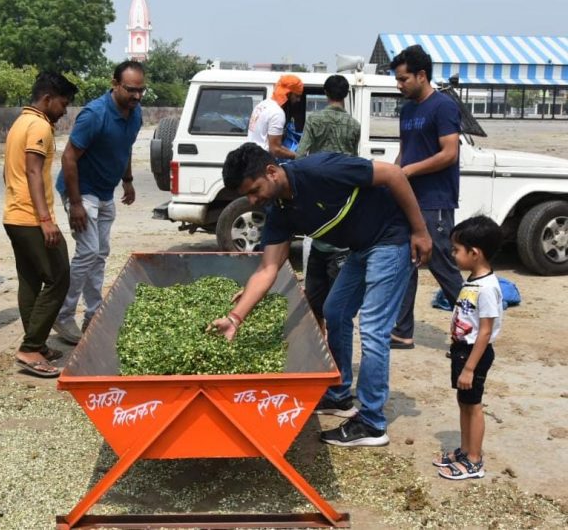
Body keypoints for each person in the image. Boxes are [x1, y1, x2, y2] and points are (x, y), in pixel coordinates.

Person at [211, 142, 432, 447]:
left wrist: (420, 232)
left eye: (254, 190)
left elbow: (393, 174)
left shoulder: (321, 170)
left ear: (272, 172)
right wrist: (235, 319)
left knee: (373, 327)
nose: (253, 200)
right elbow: (267, 268)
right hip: (361, 247)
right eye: (246, 196)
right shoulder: (280, 212)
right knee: (335, 311)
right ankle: (339, 394)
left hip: (392, 238)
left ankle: (371, 423)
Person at [53, 60, 144, 344]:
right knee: (88, 251)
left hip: (105, 192)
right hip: (82, 191)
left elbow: (126, 146)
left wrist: (127, 179)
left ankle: (93, 313)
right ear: (115, 84)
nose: (137, 96)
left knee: (101, 252)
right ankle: (62, 314)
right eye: (131, 90)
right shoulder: (95, 114)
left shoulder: (135, 112)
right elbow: (68, 157)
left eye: (141, 90)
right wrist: (76, 203)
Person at [3, 72, 78, 378]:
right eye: (63, 103)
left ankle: (37, 344)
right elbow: (34, 172)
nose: (64, 110)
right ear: (47, 99)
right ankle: (31, 347)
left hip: (15, 216)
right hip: (31, 218)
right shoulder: (39, 126)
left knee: (31, 280)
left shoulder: (20, 122)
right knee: (59, 277)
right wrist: (46, 219)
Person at [389, 45, 464, 350]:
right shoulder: (407, 110)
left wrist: (408, 172)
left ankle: (473, 329)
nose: (399, 84)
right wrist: (392, 178)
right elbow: (405, 153)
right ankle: (403, 331)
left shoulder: (443, 107)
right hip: (408, 198)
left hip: (435, 199)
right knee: (405, 264)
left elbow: (449, 153)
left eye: (404, 79)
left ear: (422, 75)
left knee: (440, 264)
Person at [435, 215, 503, 480]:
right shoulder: (474, 281)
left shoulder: (487, 288)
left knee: (473, 405)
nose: (452, 254)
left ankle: (474, 460)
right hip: (463, 351)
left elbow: (485, 331)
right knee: (464, 402)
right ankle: (465, 450)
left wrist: (469, 369)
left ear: (474, 253)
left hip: (475, 354)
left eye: (456, 250)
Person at [296, 74, 360, 332]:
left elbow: (301, 155)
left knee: (316, 252)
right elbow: (354, 160)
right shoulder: (354, 125)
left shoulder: (314, 120)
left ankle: (318, 331)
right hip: (343, 194)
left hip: (318, 190)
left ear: (325, 93)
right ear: (345, 95)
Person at [247, 74, 303, 160]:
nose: (298, 100)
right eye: (297, 96)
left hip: (251, 157)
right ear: (288, 94)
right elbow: (275, 150)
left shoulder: (263, 104)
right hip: (262, 162)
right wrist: (298, 156)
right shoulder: (277, 113)